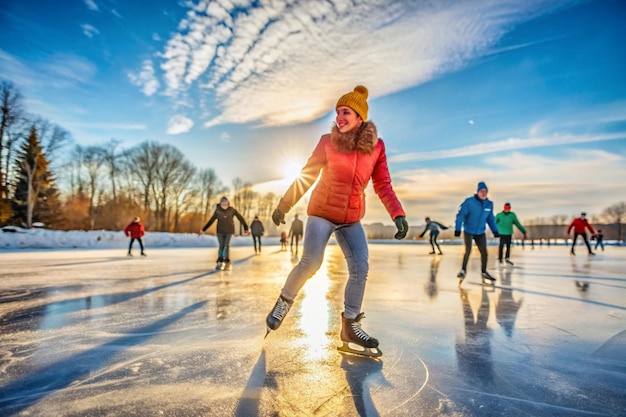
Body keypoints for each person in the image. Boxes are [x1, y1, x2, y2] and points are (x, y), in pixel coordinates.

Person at [264, 85, 409, 358]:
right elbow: (306, 175)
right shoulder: (327, 142)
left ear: (359, 117)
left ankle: (350, 326)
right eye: (337, 112)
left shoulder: (377, 148)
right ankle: (284, 301)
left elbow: (383, 184)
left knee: (360, 266)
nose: (339, 117)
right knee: (311, 261)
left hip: (352, 218)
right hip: (322, 212)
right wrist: (285, 204)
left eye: (345, 112)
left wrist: (397, 214)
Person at [454, 181, 499, 284]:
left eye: (485, 191)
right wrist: (457, 228)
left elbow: (491, 219)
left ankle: (484, 272)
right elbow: (460, 215)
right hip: (469, 230)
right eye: (482, 191)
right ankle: (463, 270)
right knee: (468, 250)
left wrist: (495, 230)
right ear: (478, 192)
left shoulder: (489, 204)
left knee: (484, 253)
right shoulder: (469, 202)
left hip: (480, 232)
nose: (484, 193)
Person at [201, 196, 249, 270]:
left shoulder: (232, 210)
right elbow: (211, 220)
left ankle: (226, 261)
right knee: (221, 246)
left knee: (227, 245)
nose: (224, 203)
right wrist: (204, 229)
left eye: (225, 202)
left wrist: (245, 227)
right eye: (222, 202)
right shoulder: (218, 211)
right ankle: (220, 261)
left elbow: (240, 218)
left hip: (229, 231)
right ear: (220, 203)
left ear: (228, 203)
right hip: (220, 231)